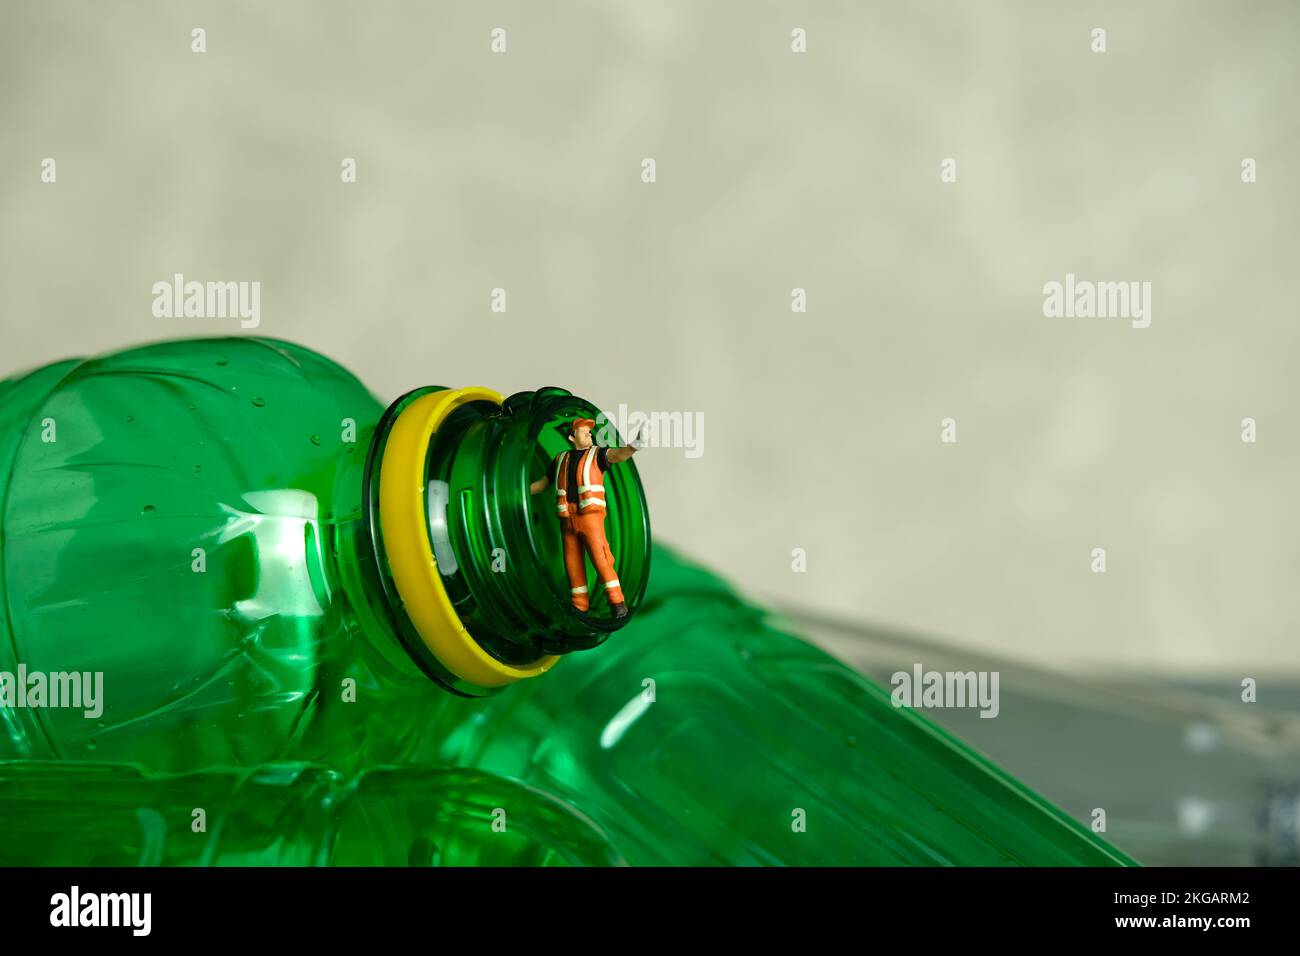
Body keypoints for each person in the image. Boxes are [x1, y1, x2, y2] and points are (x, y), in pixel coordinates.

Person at [530, 418, 642, 617]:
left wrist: (634, 445)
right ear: (572, 437)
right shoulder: (560, 459)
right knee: (572, 563)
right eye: (584, 432)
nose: (589, 435)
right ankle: (579, 604)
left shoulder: (597, 455)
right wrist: (518, 490)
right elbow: (542, 484)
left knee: (600, 558)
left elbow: (619, 455)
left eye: (590, 433)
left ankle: (617, 602)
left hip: (589, 518)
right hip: (567, 518)